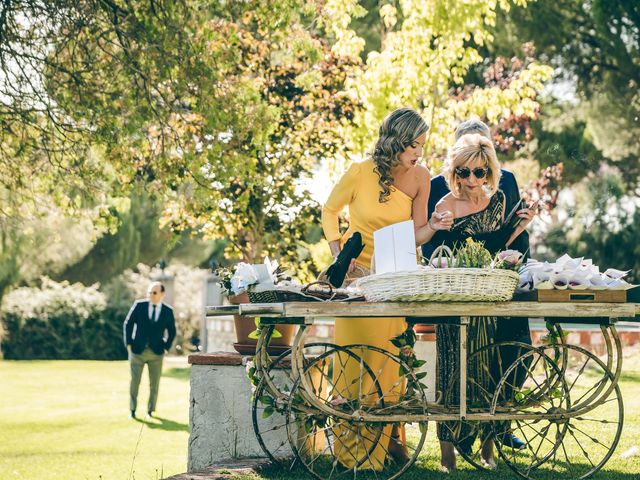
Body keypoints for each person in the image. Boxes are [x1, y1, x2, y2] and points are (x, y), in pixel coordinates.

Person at [321, 107, 451, 470]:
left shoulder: (422, 177)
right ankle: (349, 456)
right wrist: (337, 253)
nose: (420, 152)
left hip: (395, 279)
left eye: (423, 145)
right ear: (396, 141)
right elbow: (330, 210)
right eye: (414, 144)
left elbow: (417, 234)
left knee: (386, 365)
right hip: (357, 279)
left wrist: (436, 226)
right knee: (352, 362)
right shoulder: (361, 171)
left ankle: (378, 453)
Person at [427, 133, 536, 472]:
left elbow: (496, 246)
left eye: (478, 172)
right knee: (451, 376)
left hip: (488, 302)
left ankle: (488, 451)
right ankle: (448, 457)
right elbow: (434, 255)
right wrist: (435, 228)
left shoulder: (499, 201)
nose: (471, 180)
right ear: (453, 171)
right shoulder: (444, 206)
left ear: (489, 171)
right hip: (454, 300)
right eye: (463, 172)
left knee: (490, 372)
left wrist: (520, 228)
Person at [123, 281, 176, 419]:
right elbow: (128, 324)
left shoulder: (168, 311)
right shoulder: (139, 306)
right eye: (149, 292)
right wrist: (129, 343)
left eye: (154, 292)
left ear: (162, 294)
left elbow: (172, 332)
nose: (151, 295)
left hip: (156, 353)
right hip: (137, 351)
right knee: (135, 382)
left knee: (154, 384)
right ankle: (132, 410)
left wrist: (166, 347)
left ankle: (150, 410)